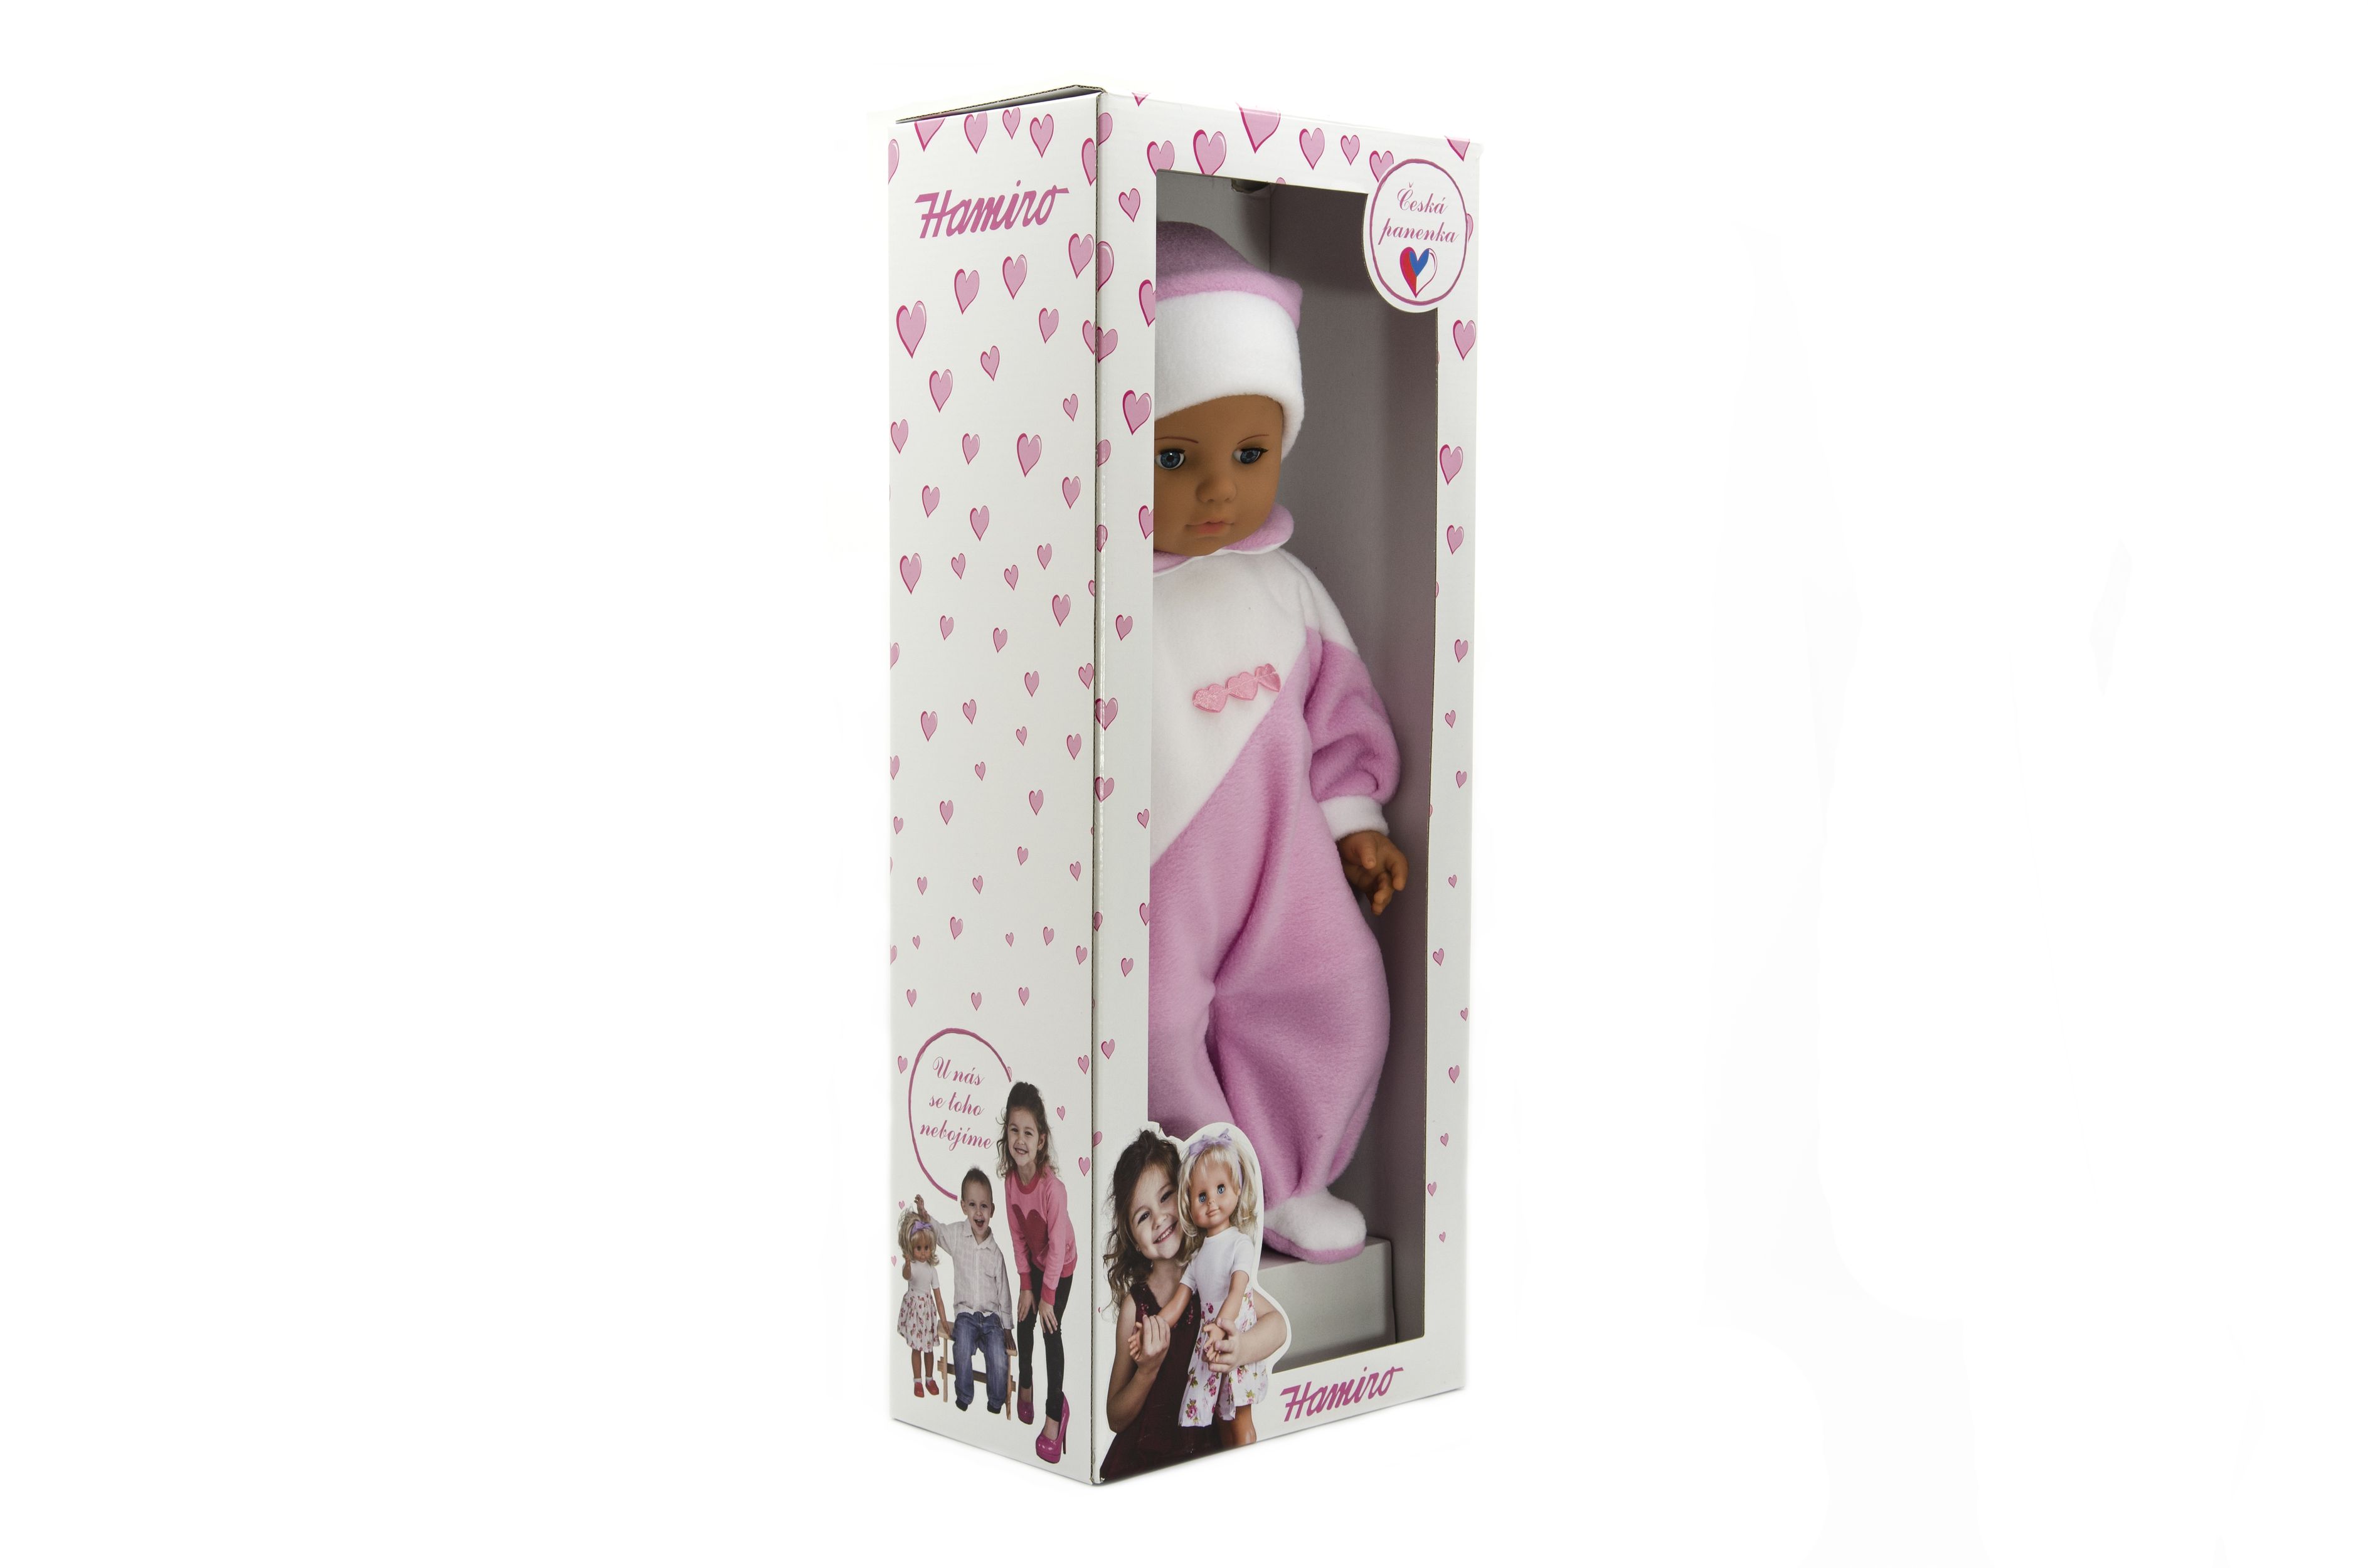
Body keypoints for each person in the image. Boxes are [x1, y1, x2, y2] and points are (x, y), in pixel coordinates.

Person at [1098, 1131, 1288, 1481]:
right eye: (1143, 1216)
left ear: (1188, 1194)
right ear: (1134, 1240)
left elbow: (1277, 1326)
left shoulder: (1214, 1282)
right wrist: (1147, 1370)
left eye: (1166, 1197)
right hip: (1146, 1465)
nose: (1159, 1218)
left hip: (1206, 1455)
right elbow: (1115, 1417)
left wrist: (1241, 1349)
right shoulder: (1135, 1308)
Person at [914, 1175, 1016, 1414]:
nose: (979, 1212)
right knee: (961, 1348)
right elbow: (938, 1232)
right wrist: (925, 1216)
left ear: (992, 1210)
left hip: (991, 1319)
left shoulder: (995, 1253)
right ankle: (964, 1394)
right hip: (966, 1316)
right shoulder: (958, 1236)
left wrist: (1007, 1329)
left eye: (984, 1206)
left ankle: (996, 1401)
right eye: (972, 1205)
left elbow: (1004, 1292)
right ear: (963, 1206)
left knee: (998, 1356)